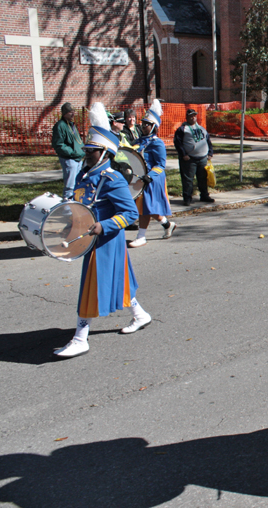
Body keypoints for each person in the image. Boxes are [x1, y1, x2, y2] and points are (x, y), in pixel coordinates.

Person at [54, 103, 152, 358]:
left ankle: (80, 337)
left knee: (91, 286)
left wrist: (104, 225)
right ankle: (140, 314)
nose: (87, 153)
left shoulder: (113, 179)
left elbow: (130, 213)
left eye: (92, 150)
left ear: (105, 153)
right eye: (87, 149)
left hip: (105, 241)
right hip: (90, 239)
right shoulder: (85, 175)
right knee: (119, 280)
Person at [129, 100, 176, 248]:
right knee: (147, 207)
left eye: (147, 124)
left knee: (145, 207)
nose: (143, 126)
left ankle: (141, 237)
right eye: (143, 124)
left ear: (153, 127)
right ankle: (167, 225)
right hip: (140, 178)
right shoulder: (138, 141)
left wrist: (150, 176)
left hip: (152, 178)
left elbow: (161, 164)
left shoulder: (157, 143)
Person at [173, 108, 215, 206]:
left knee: (203, 178)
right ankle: (187, 198)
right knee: (188, 180)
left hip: (203, 158)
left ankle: (204, 195)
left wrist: (210, 153)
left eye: (194, 115)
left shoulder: (201, 128)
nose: (193, 117)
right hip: (189, 159)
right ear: (187, 117)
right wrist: (183, 154)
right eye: (191, 116)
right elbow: (178, 143)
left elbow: (208, 141)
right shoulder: (182, 129)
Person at [52, 102, 85, 200]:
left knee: (78, 184)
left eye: (73, 111)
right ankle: (67, 203)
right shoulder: (60, 126)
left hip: (78, 158)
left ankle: (76, 203)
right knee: (70, 186)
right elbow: (59, 144)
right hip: (69, 159)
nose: (73, 114)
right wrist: (72, 152)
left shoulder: (72, 125)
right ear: (64, 113)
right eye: (70, 112)